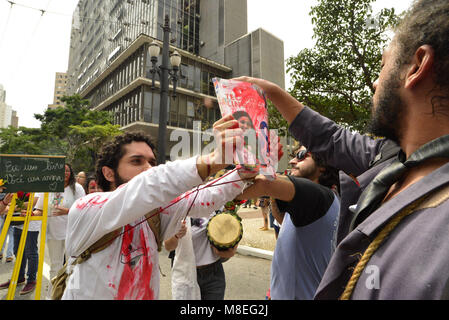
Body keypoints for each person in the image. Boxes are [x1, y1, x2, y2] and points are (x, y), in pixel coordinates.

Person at [235, 0, 449, 299]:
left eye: (382, 65)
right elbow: (330, 136)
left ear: (416, 66)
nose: (375, 83)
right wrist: (272, 93)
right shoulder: (388, 156)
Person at [60, 115, 253, 299]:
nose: (149, 168)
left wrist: (247, 169)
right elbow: (150, 183)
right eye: (136, 161)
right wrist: (215, 158)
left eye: (152, 162)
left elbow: (202, 197)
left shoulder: (154, 214)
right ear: (109, 173)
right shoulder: (87, 208)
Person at [239, 144, 340, 299]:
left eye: (301, 155)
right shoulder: (323, 201)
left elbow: (265, 183)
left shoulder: (318, 196)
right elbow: (284, 221)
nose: (292, 161)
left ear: (323, 165)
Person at [34, 163, 85, 294]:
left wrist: (68, 211)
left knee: (73, 264)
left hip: (73, 232)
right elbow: (39, 209)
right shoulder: (48, 188)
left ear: (71, 173)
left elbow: (84, 209)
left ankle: (74, 293)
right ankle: (54, 293)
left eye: (67, 171)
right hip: (53, 232)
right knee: (55, 265)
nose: (65, 173)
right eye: (62, 171)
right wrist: (30, 213)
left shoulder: (77, 188)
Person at [0, 193, 40, 295]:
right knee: (17, 250)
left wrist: (13, 207)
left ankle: (31, 279)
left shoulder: (39, 183)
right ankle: (19, 277)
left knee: (31, 252)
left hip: (32, 222)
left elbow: (34, 202)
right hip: (17, 222)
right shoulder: (20, 181)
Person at [0, 193, 15, 263]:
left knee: (3, 233)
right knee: (11, 234)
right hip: (10, 211)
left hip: (5, 211)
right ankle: (9, 255)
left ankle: (2, 253)